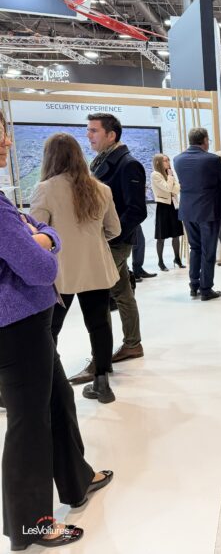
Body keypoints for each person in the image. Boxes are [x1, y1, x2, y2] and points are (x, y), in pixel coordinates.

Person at [0, 110, 113, 551]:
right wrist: (44, 241)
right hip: (16, 323)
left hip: (28, 320)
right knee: (30, 421)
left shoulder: (29, 195)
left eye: (7, 132)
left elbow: (39, 232)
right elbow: (38, 265)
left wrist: (43, 233)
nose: (7, 142)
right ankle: (29, 524)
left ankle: (76, 479)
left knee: (58, 399)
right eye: (1, 134)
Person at [30, 133, 121, 401]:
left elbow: (37, 236)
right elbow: (114, 229)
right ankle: (102, 382)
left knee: (50, 329)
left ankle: (48, 387)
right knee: (100, 325)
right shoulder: (102, 189)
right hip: (96, 269)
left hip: (60, 273)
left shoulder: (45, 189)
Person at [85, 113, 146, 374]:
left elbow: (136, 210)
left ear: (112, 135)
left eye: (94, 131)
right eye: (88, 130)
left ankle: (100, 358)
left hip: (114, 242)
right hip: (105, 240)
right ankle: (132, 344)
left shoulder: (128, 164)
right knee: (121, 292)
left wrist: (112, 236)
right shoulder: (102, 161)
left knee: (99, 297)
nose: (89, 135)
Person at [174, 128, 221, 301]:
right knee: (208, 251)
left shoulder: (177, 159)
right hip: (208, 211)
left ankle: (194, 285)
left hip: (187, 211)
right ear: (204, 140)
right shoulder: (213, 159)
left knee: (195, 248)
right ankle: (206, 289)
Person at [151, 153, 184, 272]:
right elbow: (168, 188)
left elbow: (177, 189)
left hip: (174, 206)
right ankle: (160, 262)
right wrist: (170, 178)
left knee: (176, 234)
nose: (168, 162)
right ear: (158, 162)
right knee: (161, 236)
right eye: (165, 161)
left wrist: (171, 180)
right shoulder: (155, 175)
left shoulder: (170, 174)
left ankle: (177, 259)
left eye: (168, 160)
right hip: (163, 207)